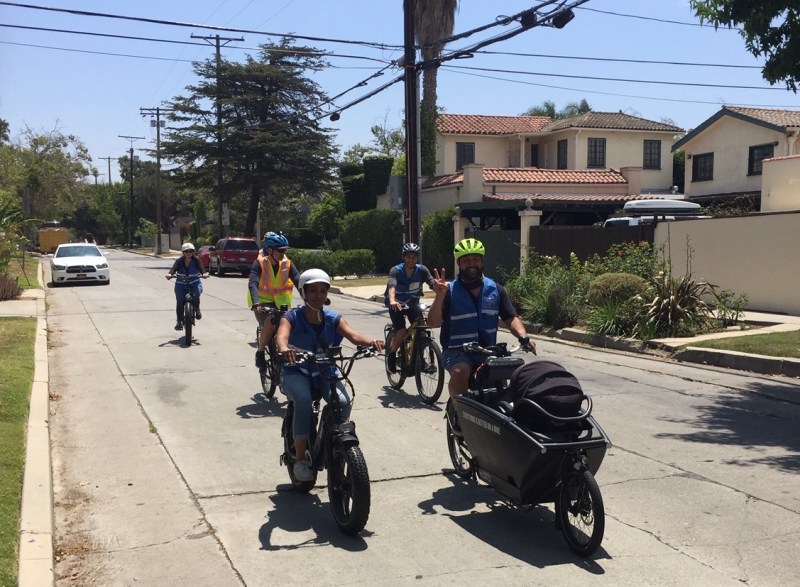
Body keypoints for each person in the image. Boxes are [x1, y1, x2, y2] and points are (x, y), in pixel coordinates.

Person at [275, 268, 384, 482]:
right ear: (303, 292)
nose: (318, 295)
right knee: (304, 400)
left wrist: (372, 342)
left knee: (343, 401)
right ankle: (300, 460)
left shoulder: (333, 318)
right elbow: (281, 336)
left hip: (325, 370)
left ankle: (336, 440)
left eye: (323, 291)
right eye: (313, 290)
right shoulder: (292, 317)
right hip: (296, 369)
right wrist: (284, 348)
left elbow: (353, 335)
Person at [427, 237, 535, 400]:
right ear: (459, 264)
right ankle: (459, 411)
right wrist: (439, 297)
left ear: (482, 261)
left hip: (488, 350)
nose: (471, 264)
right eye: (466, 260)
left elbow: (510, 317)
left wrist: (523, 337)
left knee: (514, 374)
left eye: (475, 259)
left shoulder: (496, 289)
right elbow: (433, 323)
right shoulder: (449, 291)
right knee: (460, 371)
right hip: (456, 351)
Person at [248, 231, 301, 370]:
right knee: (271, 321)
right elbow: (253, 283)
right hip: (262, 303)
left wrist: (310, 299)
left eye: (285, 250)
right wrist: (256, 302)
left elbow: (299, 282)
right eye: (280, 250)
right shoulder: (259, 263)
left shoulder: (288, 264)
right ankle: (260, 352)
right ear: (270, 250)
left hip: (282, 304)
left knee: (292, 327)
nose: (283, 253)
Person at [384, 242, 435, 372]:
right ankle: (392, 355)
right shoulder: (396, 270)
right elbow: (392, 286)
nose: (411, 260)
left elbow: (431, 282)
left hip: (413, 305)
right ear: (404, 257)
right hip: (397, 305)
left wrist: (440, 290)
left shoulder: (422, 270)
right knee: (401, 331)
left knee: (422, 332)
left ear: (417, 258)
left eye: (413, 257)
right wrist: (392, 300)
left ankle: (420, 359)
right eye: (408, 257)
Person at [166, 242, 208, 330]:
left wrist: (204, 273)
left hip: (195, 282)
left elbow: (202, 269)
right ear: (183, 252)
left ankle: (197, 309)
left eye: (191, 251)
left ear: (193, 252)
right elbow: (173, 269)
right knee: (180, 301)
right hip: (181, 284)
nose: (188, 253)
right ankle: (179, 322)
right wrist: (170, 274)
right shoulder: (179, 261)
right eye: (186, 251)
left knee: (196, 294)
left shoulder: (197, 260)